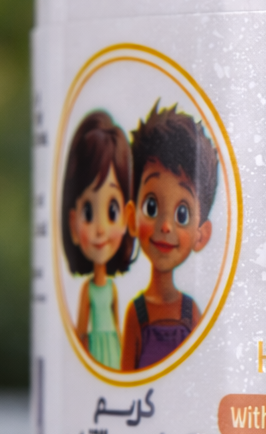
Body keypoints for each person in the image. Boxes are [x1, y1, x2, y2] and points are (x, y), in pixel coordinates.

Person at [121, 102, 220, 371]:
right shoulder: (136, 314)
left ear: (201, 235)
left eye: (182, 214)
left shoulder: (191, 313)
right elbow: (127, 376)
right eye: (151, 207)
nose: (165, 226)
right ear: (131, 218)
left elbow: (202, 374)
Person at [61, 111, 135, 369]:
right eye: (88, 213)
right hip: (94, 349)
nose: (101, 230)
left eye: (112, 211)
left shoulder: (112, 289)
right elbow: (81, 330)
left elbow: (117, 324)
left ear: (126, 217)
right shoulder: (88, 290)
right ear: (73, 223)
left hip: (112, 346)